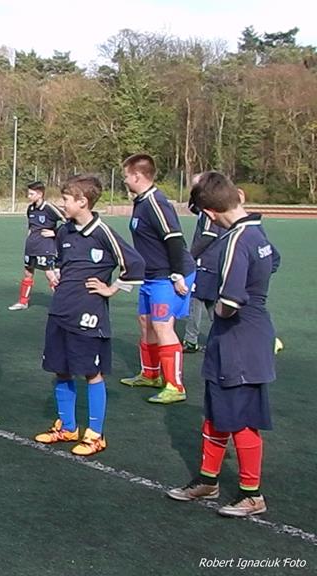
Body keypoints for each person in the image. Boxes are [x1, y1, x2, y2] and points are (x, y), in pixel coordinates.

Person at [165, 171, 280, 517]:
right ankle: (208, 480)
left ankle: (252, 494)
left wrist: (216, 307)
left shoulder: (235, 241)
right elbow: (273, 261)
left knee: (242, 417)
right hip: (247, 334)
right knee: (217, 411)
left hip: (238, 339)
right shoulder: (256, 231)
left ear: (208, 213)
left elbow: (230, 301)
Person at [32, 174, 145, 456]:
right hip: (60, 309)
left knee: (91, 372)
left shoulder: (102, 232)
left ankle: (95, 434)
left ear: (82, 202)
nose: (62, 204)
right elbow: (61, 260)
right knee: (60, 368)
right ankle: (68, 427)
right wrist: (55, 273)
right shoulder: (64, 231)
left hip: (88, 314)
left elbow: (135, 264)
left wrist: (112, 288)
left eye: (66, 200)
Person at [119, 153, 196, 404]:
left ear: (137, 176)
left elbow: (174, 238)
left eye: (126, 176)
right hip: (150, 276)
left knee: (163, 326)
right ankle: (150, 374)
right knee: (145, 322)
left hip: (168, 276)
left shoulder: (156, 202)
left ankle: (175, 386)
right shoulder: (140, 202)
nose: (124, 180)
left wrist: (177, 275)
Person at [8, 181, 65, 311]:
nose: (28, 196)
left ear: (40, 194)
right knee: (28, 273)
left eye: (31, 194)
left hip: (45, 246)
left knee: (50, 274)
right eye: (28, 193)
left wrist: (55, 232)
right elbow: (31, 227)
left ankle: (64, 303)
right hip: (31, 246)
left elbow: (68, 220)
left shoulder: (49, 208)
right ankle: (23, 302)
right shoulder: (31, 209)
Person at [182, 190, 226, 353]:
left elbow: (208, 235)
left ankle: (191, 340)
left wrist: (190, 256)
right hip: (215, 263)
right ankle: (223, 339)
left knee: (196, 300)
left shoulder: (208, 212)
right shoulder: (215, 210)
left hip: (205, 263)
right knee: (211, 302)